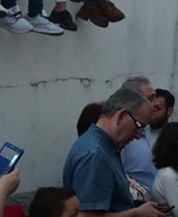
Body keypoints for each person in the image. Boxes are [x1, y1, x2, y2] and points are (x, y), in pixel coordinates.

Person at [62, 88, 167, 217]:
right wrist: (136, 213)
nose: (139, 136)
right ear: (121, 116)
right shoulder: (96, 155)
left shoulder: (104, 146)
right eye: (139, 126)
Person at [122, 89, 175, 192]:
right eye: (151, 108)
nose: (152, 113)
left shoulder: (175, 137)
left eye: (157, 108)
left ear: (169, 111)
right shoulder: (133, 136)